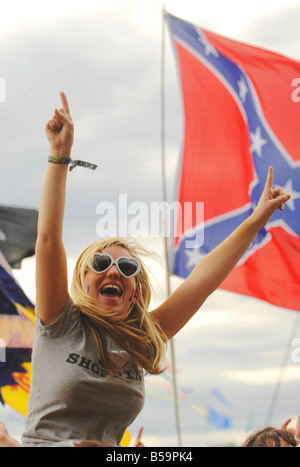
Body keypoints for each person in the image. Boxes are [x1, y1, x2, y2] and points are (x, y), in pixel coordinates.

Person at [18, 92, 290, 447]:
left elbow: (201, 282)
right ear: (84, 281)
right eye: (101, 263)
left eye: (127, 267)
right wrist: (59, 156)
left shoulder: (143, 339)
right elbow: (49, 239)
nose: (114, 271)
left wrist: (255, 221)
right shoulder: (61, 323)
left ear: (134, 292)